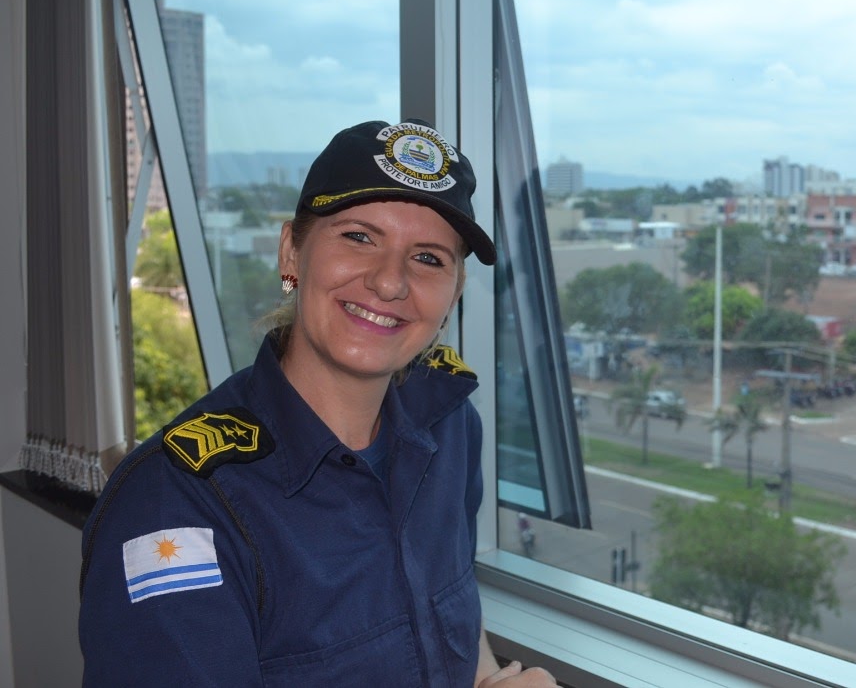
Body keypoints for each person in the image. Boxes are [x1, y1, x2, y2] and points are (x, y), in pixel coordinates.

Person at [79, 120, 556, 687]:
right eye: (359, 237)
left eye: (429, 258)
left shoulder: (449, 427)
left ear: (453, 295)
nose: (389, 282)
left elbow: (450, 607)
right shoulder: (176, 506)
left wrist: (491, 678)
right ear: (292, 252)